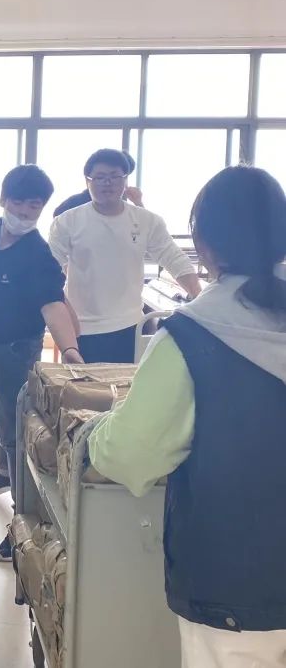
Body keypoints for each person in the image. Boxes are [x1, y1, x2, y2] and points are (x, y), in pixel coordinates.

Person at [88, 166, 286, 668]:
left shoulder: (193, 335)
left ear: (204, 244)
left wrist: (96, 432)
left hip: (238, 588)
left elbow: (131, 454)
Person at [0, 165, 83, 562]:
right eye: (19, 203)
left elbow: (53, 306)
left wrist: (70, 349)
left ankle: (21, 519)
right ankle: (4, 472)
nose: (25, 213)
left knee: (14, 429)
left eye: (34, 207)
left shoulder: (39, 254)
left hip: (17, 349)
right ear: (3, 200)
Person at [49, 148, 201, 364]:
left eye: (114, 176)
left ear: (125, 180)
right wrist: (64, 316)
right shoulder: (67, 221)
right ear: (88, 181)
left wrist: (198, 296)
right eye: (100, 177)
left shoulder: (147, 220)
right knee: (82, 385)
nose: (107, 183)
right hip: (82, 327)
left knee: (127, 384)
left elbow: (173, 258)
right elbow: (49, 271)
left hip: (131, 325)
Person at [53, 150, 144, 217]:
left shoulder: (123, 203)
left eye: (116, 176)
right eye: (101, 177)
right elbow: (58, 216)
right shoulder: (76, 203)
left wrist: (138, 202)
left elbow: (144, 226)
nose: (109, 182)